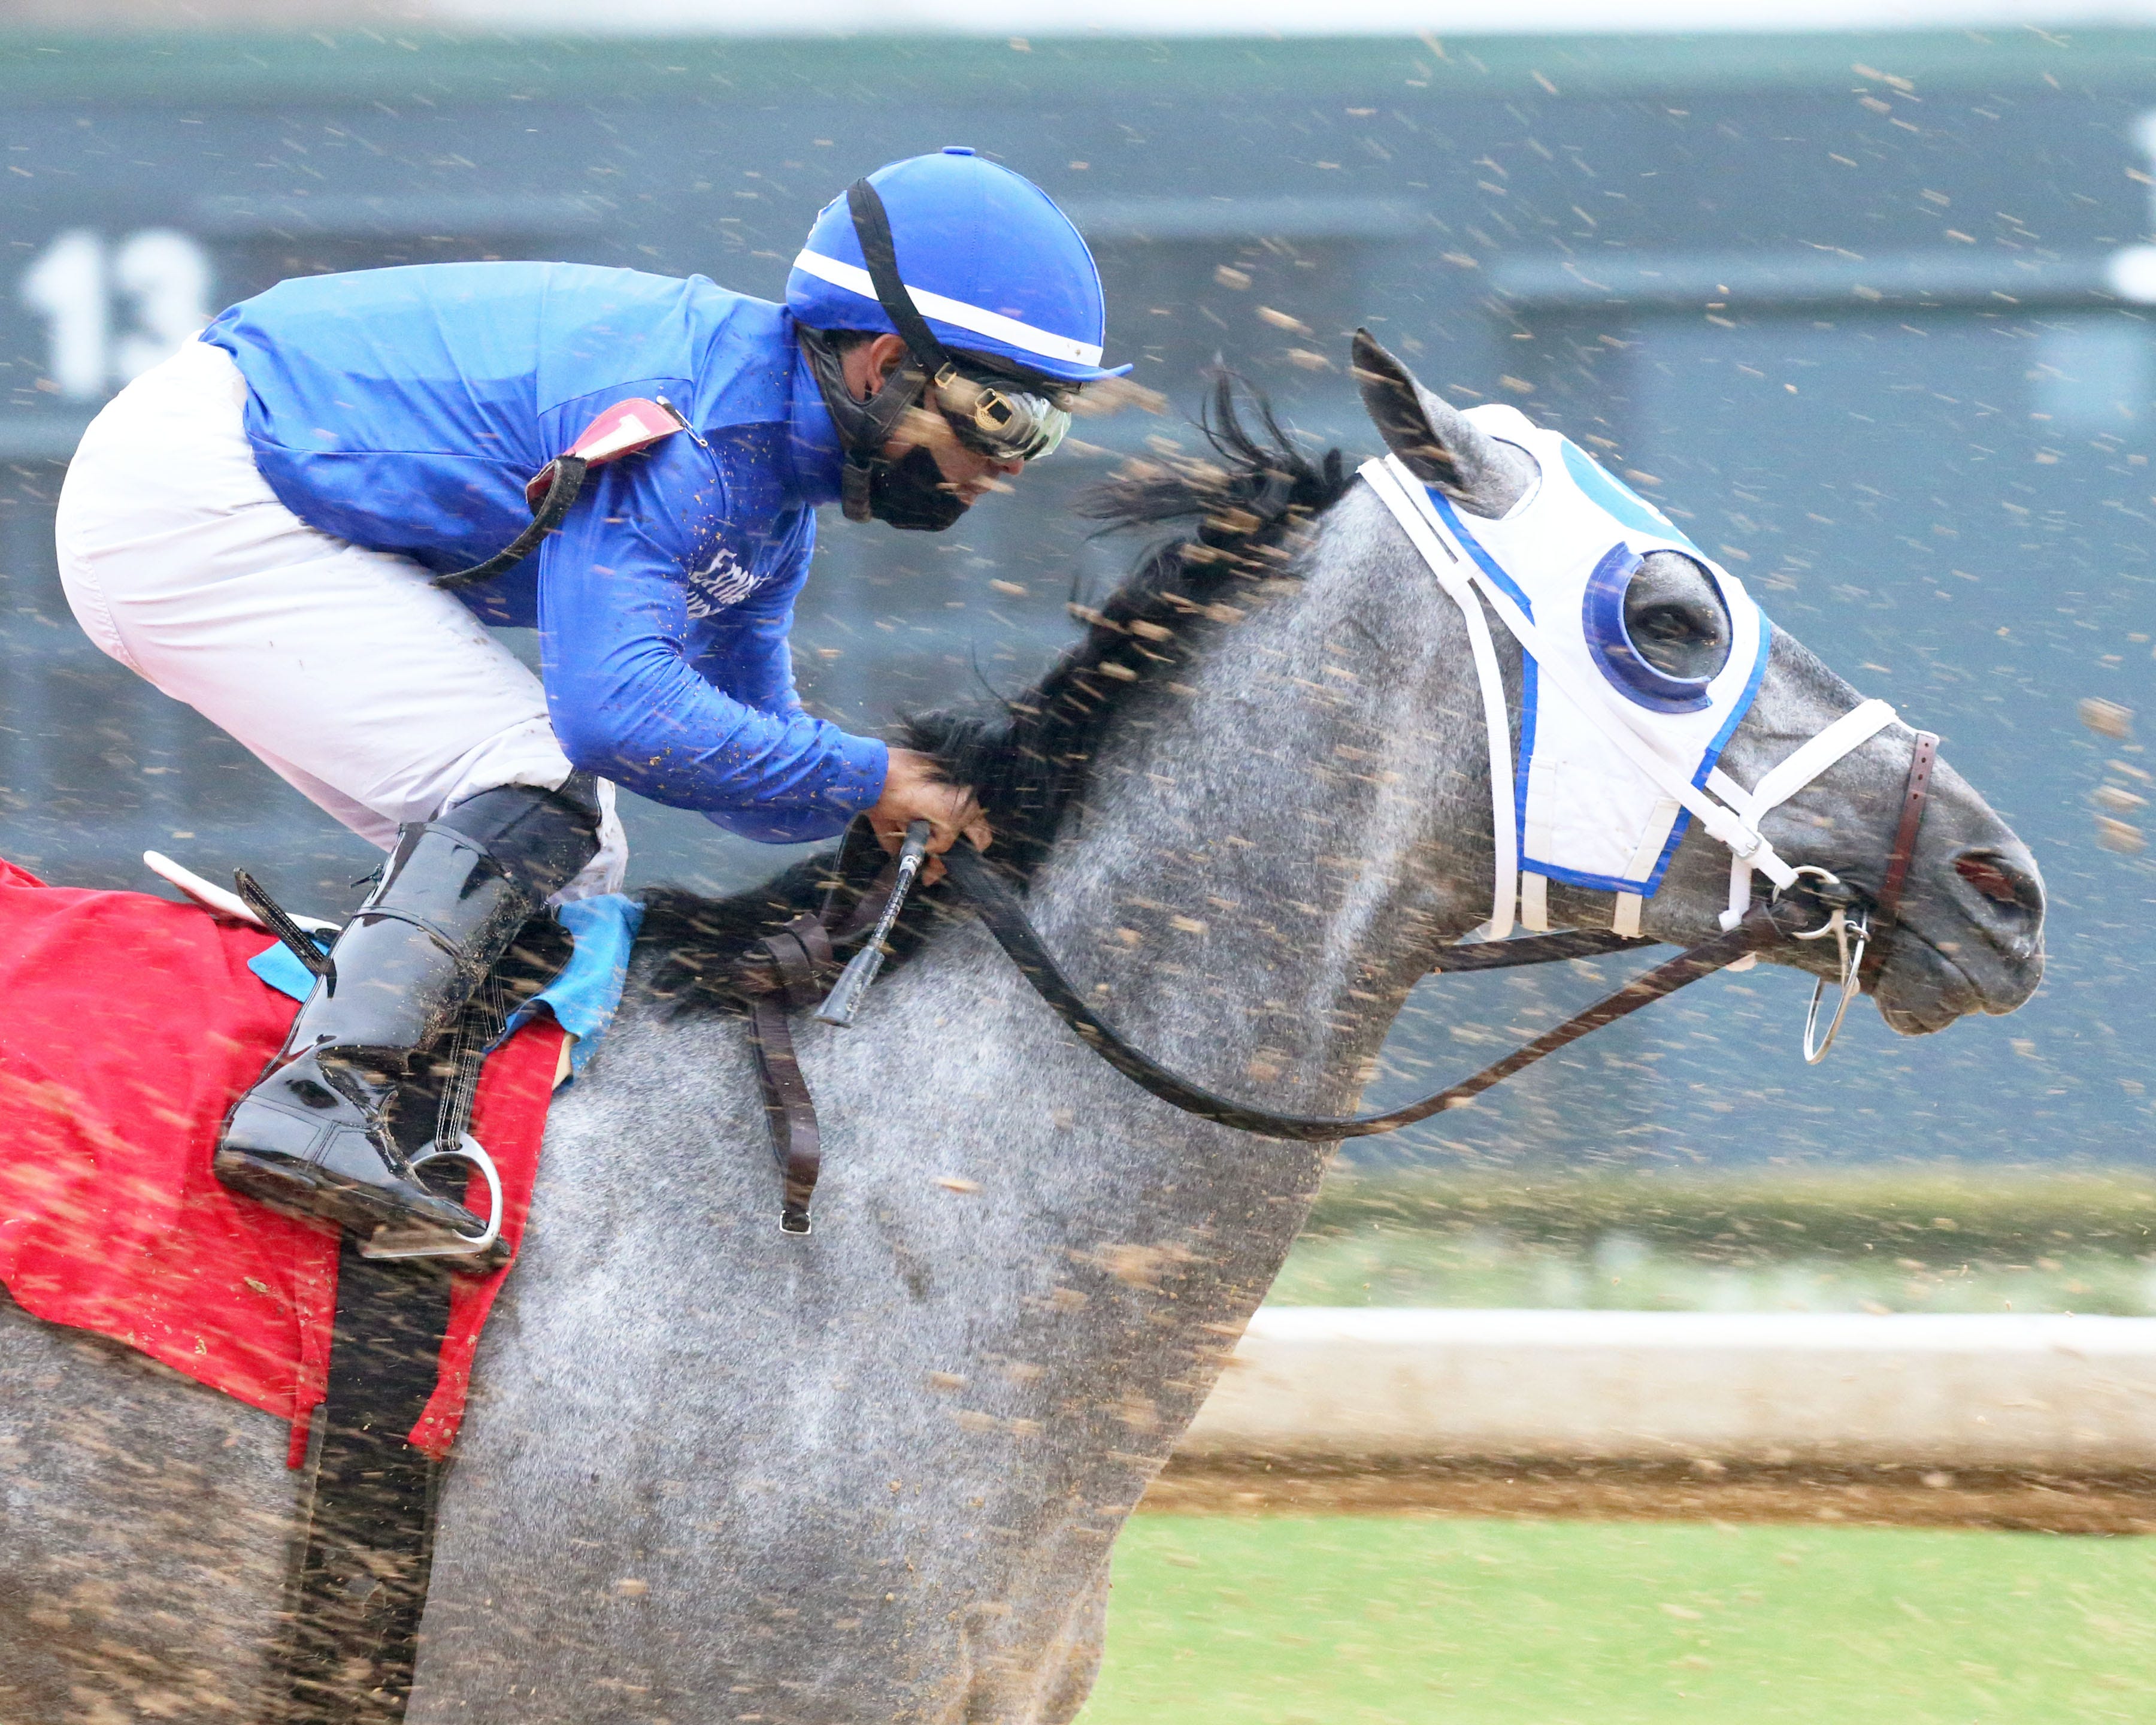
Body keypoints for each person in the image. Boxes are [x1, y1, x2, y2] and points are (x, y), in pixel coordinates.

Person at [52, 146, 1122, 1254]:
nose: (1016, 463)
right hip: (198, 487)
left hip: (220, 482)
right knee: (532, 781)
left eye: (1051, 427)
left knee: (574, 856)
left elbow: (730, 771)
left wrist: (875, 799)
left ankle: (414, 1146)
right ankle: (314, 1106)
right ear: (882, 362)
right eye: (1002, 413)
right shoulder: (709, 436)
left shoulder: (767, 496)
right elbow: (615, 719)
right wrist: (870, 776)